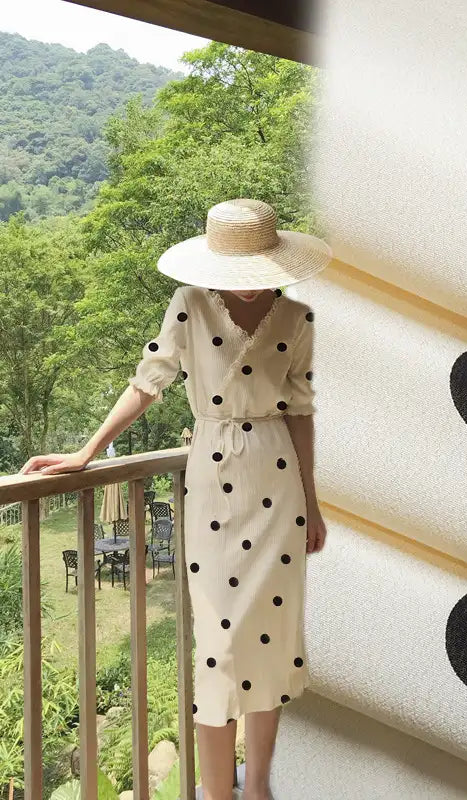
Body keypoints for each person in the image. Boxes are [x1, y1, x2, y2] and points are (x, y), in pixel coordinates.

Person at [19, 198, 333, 800]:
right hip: (213, 482)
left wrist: (313, 505)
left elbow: (301, 414)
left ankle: (259, 788)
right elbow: (149, 384)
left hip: (277, 480)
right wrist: (87, 453)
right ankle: (217, 794)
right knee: (216, 647)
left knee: (271, 641)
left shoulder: (298, 318)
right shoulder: (189, 306)